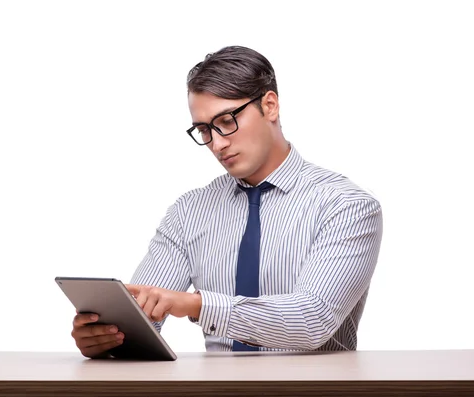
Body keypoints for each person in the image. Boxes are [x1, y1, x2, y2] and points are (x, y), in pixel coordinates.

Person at [72, 45, 383, 358]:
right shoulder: (189, 212)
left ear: (270, 106)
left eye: (226, 121)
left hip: (315, 392)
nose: (217, 144)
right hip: (214, 390)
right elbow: (144, 313)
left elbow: (312, 320)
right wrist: (108, 338)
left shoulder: (346, 206)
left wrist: (198, 304)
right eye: (204, 130)